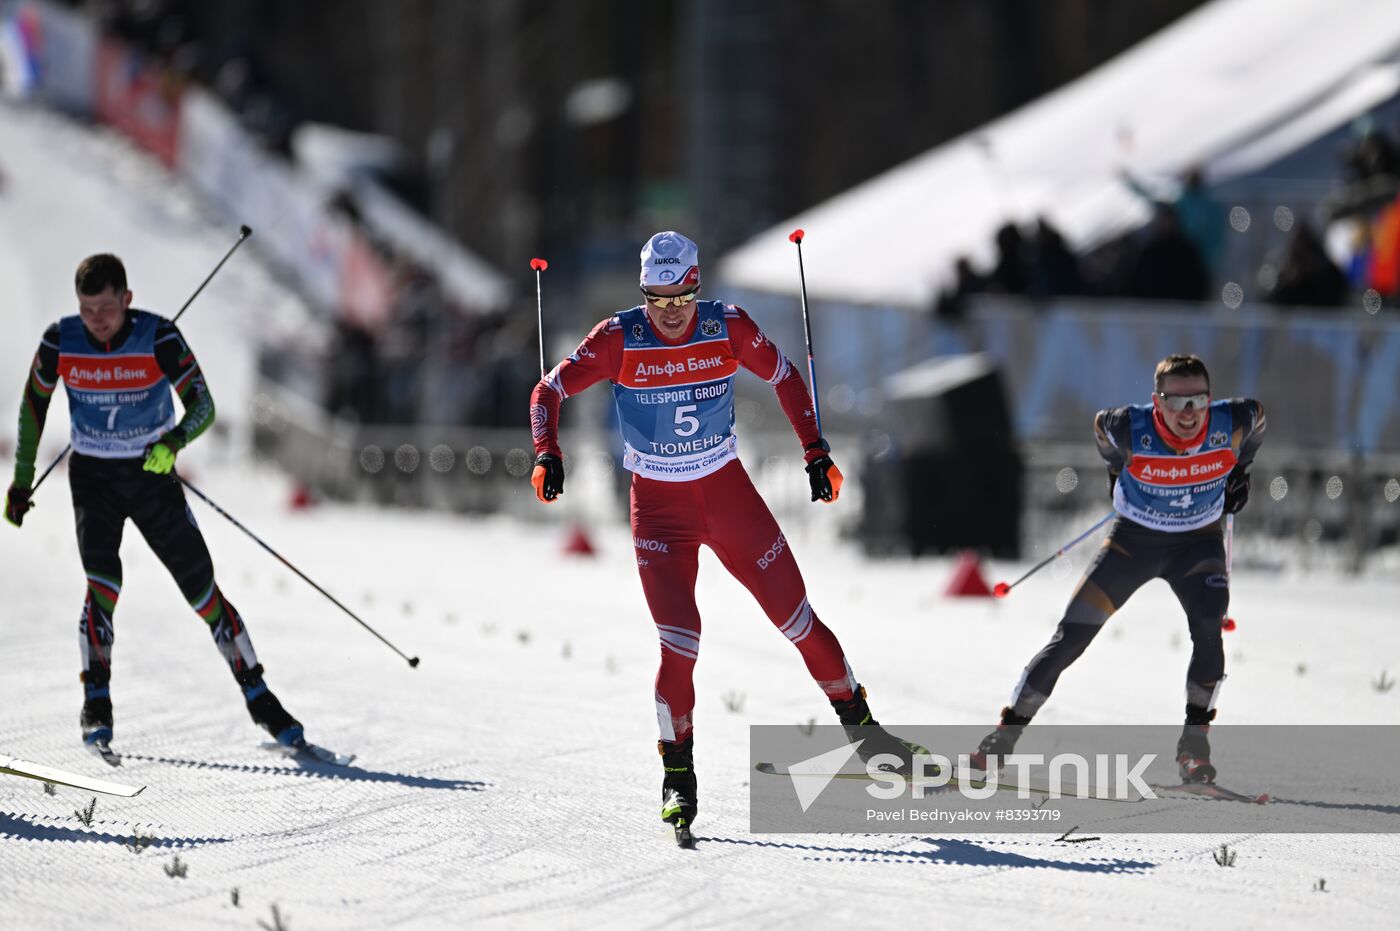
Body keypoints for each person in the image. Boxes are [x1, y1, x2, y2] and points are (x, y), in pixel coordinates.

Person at [528, 231, 917, 834]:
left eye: (681, 300)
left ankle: (863, 732)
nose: (671, 315)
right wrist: (546, 452)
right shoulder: (617, 337)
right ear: (644, 294)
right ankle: (677, 777)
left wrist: (815, 451)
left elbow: (787, 375)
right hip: (659, 512)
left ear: (696, 286)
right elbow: (547, 389)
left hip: (728, 495)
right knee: (679, 642)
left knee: (797, 619)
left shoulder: (727, 326)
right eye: (657, 302)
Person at [4, 254, 304, 763]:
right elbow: (32, 409)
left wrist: (175, 441)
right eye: (86, 309)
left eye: (106, 308)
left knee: (201, 590)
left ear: (127, 299)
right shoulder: (61, 340)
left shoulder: (159, 337)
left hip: (150, 475)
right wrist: (21, 481)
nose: (95, 320)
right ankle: (96, 700)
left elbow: (203, 405)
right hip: (94, 477)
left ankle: (259, 695)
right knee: (103, 583)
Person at [972, 354, 1266, 784]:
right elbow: (1100, 429)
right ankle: (1001, 740)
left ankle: (1194, 748)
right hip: (1134, 543)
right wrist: (1116, 472)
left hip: (1197, 545)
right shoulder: (1130, 427)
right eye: (1176, 401)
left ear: (1210, 400)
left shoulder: (1232, 420)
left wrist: (1242, 471)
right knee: (1071, 636)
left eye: (1198, 401)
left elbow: (1258, 420)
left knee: (1208, 628)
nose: (1188, 413)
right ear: (1156, 401)